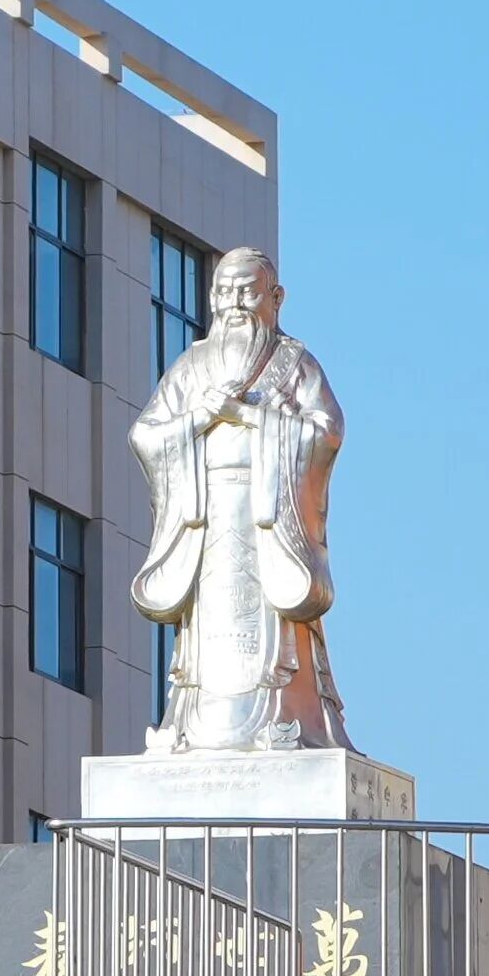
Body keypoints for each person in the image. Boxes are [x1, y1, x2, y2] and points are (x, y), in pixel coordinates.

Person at [127, 248, 351, 753]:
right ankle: (191, 725)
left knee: (273, 620)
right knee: (207, 631)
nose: (234, 304)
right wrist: (201, 418)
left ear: (275, 298)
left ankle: (289, 718)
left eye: (247, 292)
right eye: (224, 292)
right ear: (211, 298)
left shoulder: (294, 363)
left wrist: (248, 417)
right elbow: (145, 434)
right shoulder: (192, 366)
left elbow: (327, 431)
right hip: (205, 517)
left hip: (270, 517)